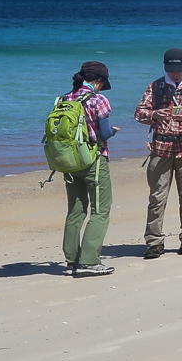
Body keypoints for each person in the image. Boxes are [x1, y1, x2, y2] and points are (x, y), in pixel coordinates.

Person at [135, 47, 182, 258]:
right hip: (160, 148)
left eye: (177, 69)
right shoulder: (156, 86)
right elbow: (139, 113)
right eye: (170, 69)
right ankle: (154, 242)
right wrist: (154, 114)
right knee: (157, 197)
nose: (174, 73)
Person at [61, 60, 118, 277]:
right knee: (101, 210)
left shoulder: (65, 98)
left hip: (69, 161)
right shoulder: (98, 99)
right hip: (94, 160)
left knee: (75, 210)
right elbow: (103, 133)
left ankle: (71, 261)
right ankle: (89, 261)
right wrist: (114, 131)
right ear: (99, 80)